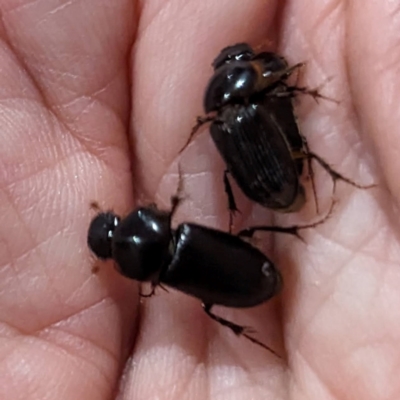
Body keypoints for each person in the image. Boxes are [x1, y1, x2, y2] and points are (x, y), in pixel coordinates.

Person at [0, 1, 394, 399]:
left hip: (234, 277)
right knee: (248, 232)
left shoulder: (158, 268)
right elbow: (157, 217)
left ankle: (255, 330)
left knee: (217, 290)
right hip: (243, 251)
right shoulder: (179, 232)